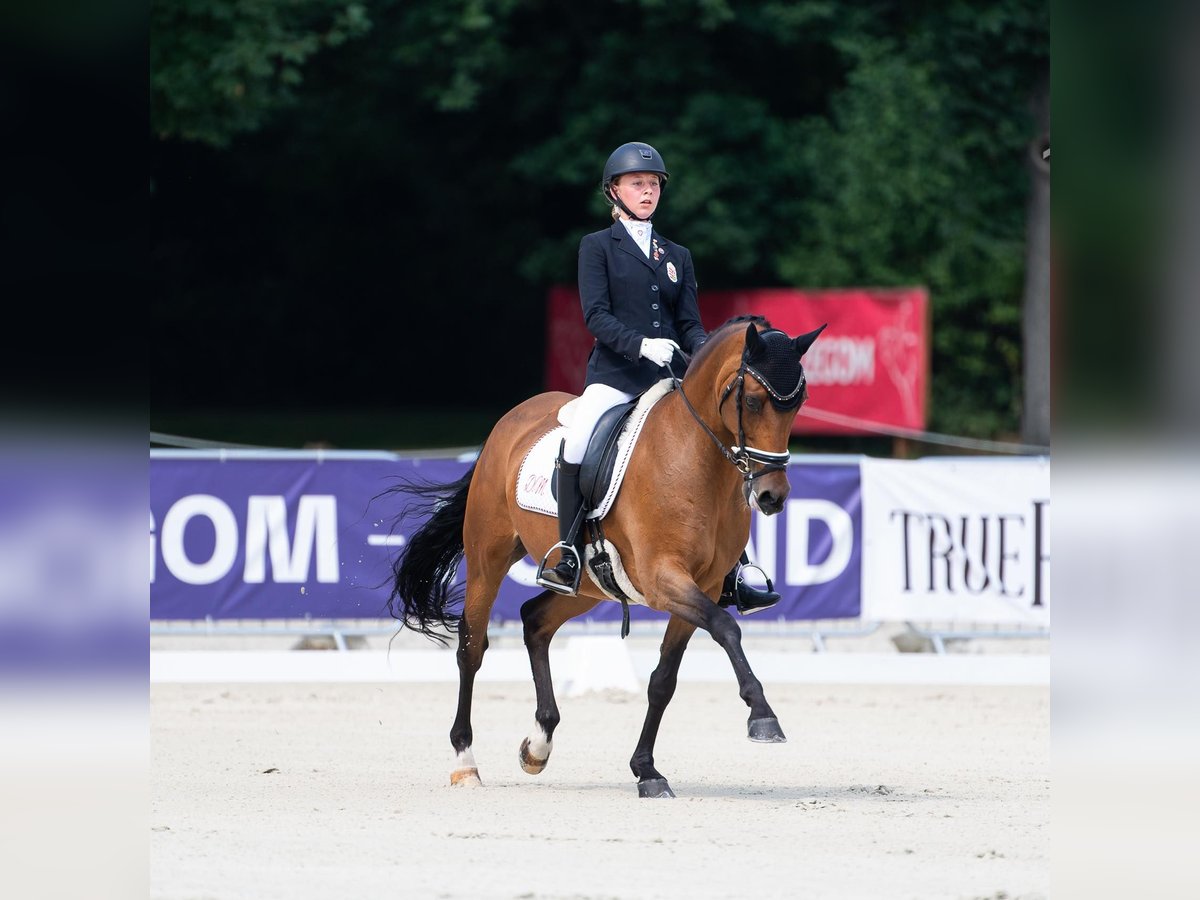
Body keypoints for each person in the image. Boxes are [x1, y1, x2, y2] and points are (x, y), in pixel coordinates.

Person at [535, 141, 781, 615]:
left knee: (725, 443)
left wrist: (704, 355)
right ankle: (565, 552)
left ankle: (736, 569)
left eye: (653, 185)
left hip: (669, 380)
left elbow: (689, 323)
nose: (647, 191)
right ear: (615, 190)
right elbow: (596, 315)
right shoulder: (596, 247)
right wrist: (639, 344)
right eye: (637, 184)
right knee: (578, 440)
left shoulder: (677, 254)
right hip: (615, 377)